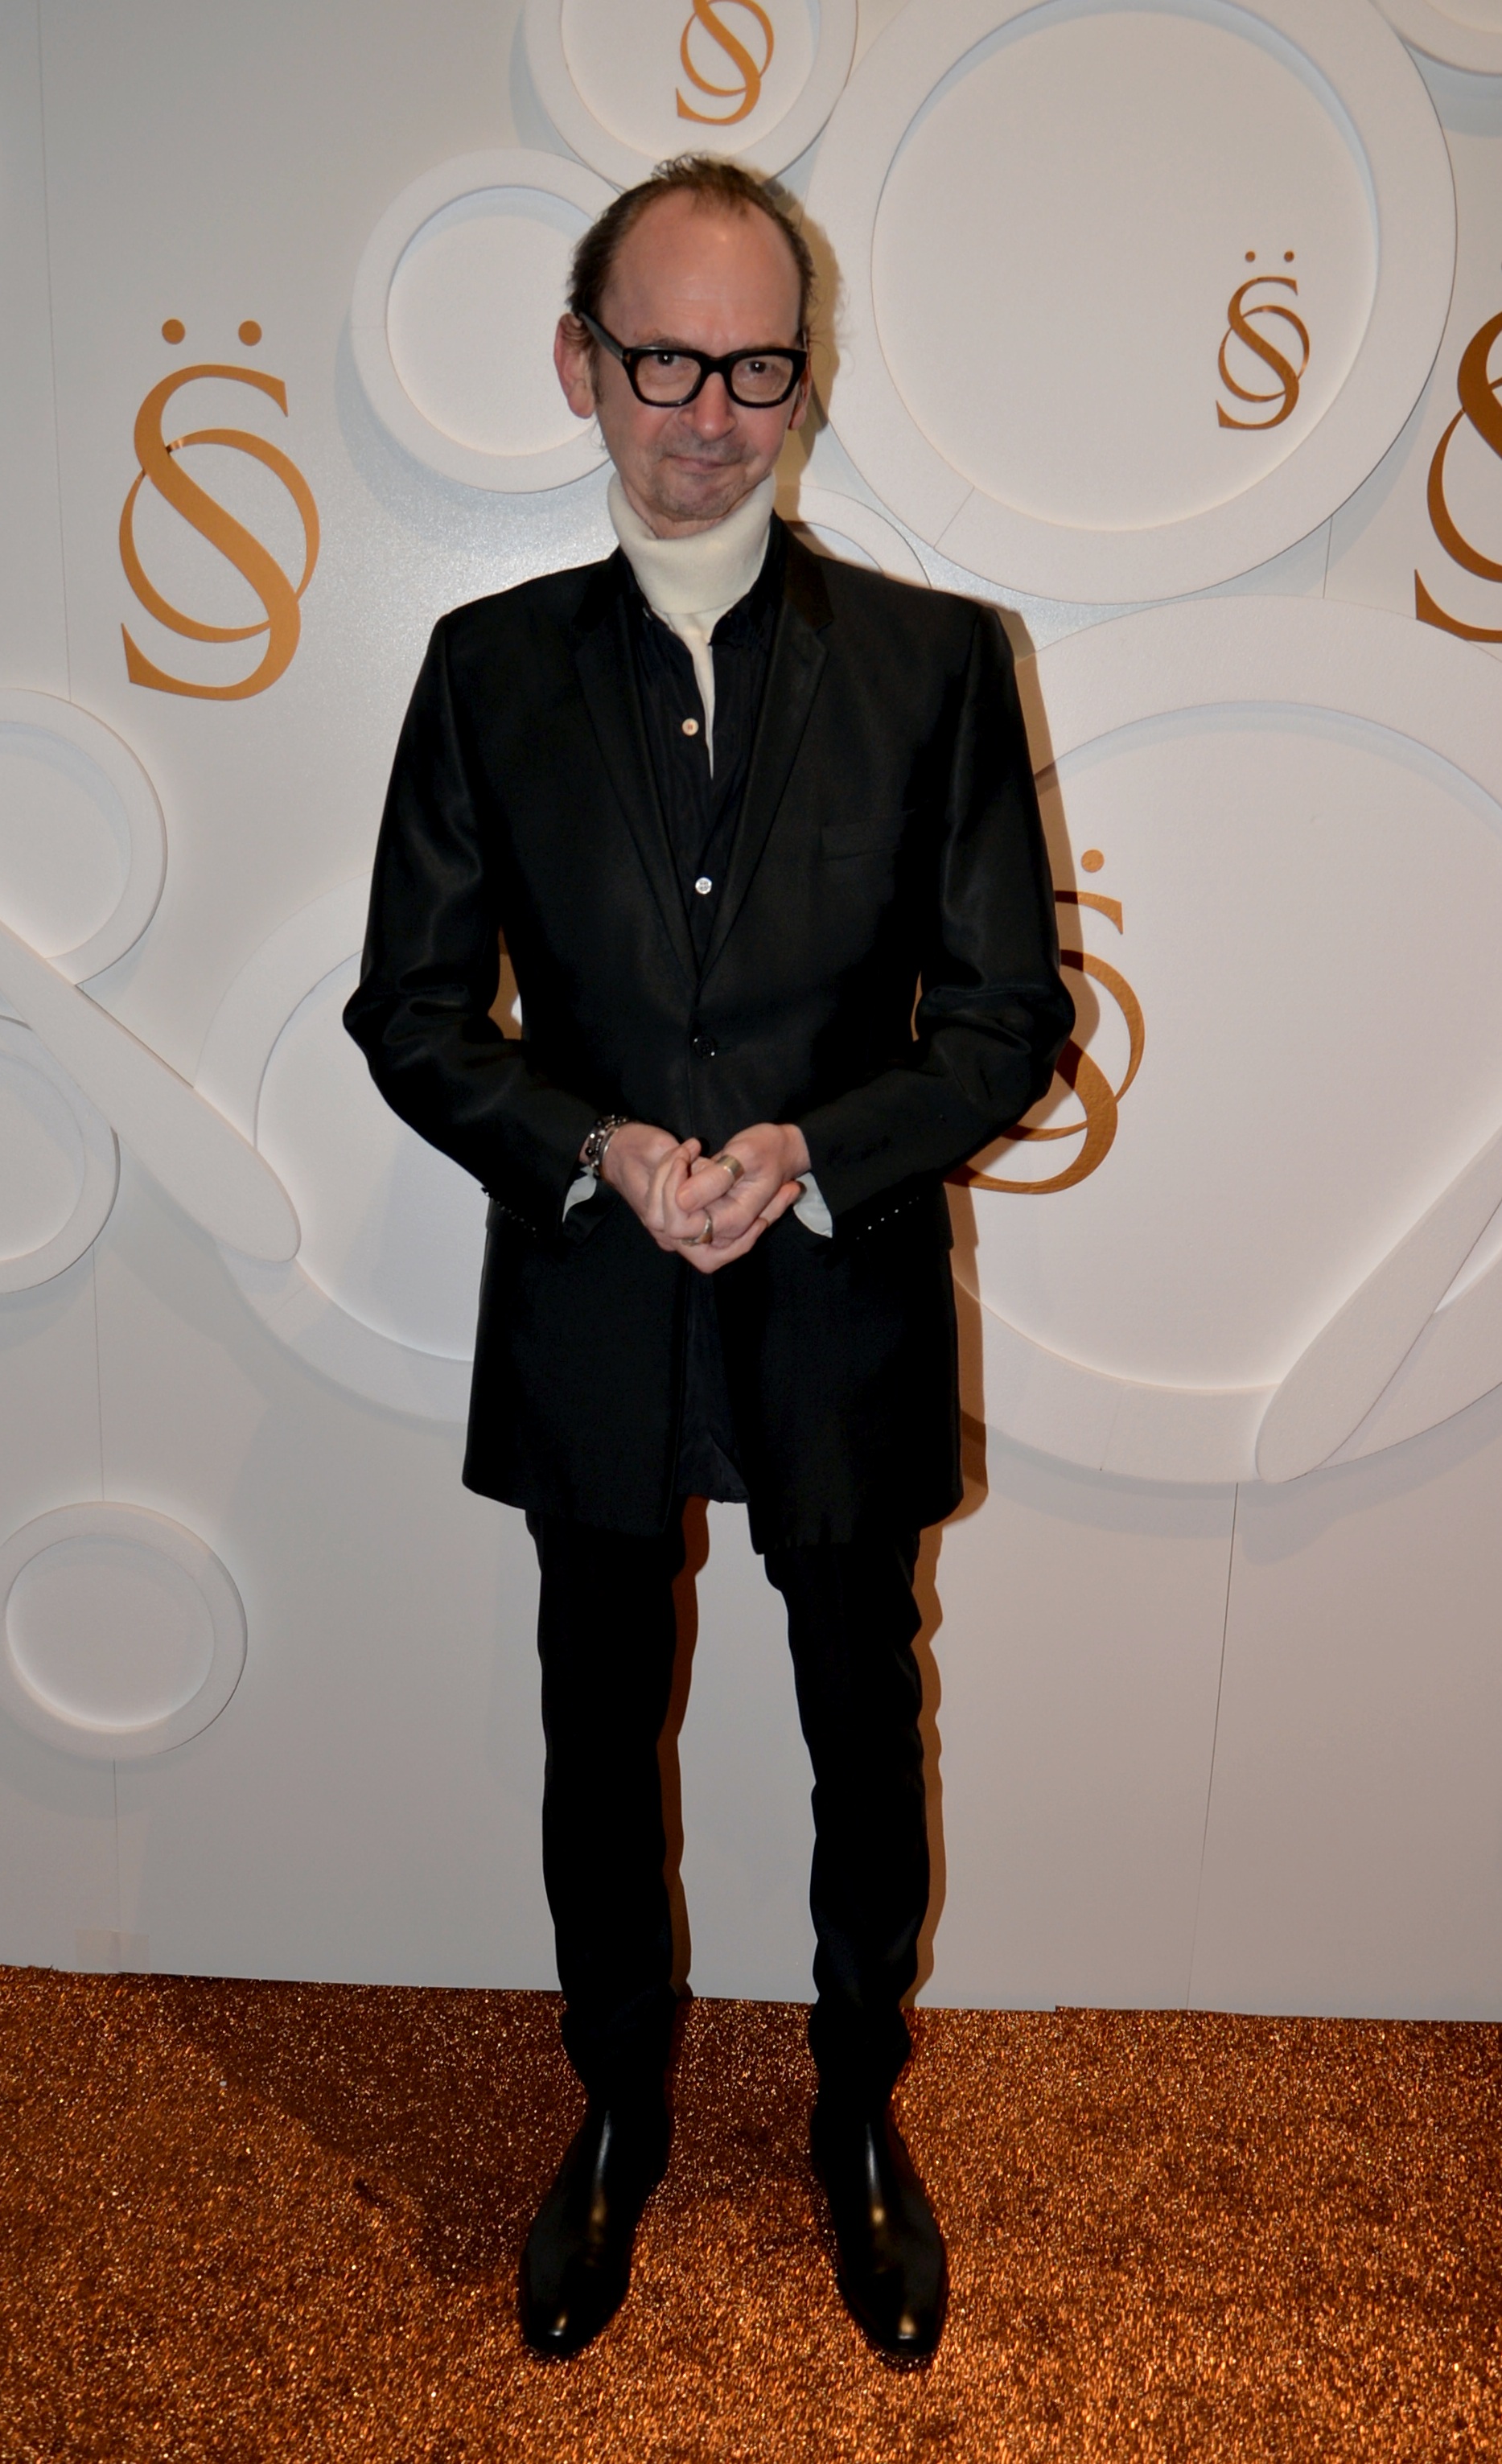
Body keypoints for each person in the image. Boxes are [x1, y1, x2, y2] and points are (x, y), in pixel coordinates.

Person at [344, 155, 1072, 2364]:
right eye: (662, 360)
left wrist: (813, 1154)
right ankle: (615, 2116)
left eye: (757, 366)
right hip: (589, 1294)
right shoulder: (484, 669)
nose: (708, 414)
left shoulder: (939, 664)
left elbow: (1005, 1016)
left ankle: (856, 2117)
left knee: (864, 1716)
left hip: (840, 1293)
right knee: (596, 1727)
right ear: (578, 362)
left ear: (804, 377)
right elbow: (409, 1011)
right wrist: (590, 1148)